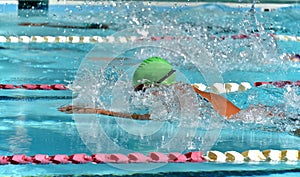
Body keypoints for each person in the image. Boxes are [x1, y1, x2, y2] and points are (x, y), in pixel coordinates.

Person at [59, 56, 241, 119]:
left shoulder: (176, 95)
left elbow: (148, 118)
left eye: (141, 90)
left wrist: (99, 111)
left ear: (153, 85)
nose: (141, 95)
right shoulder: (185, 89)